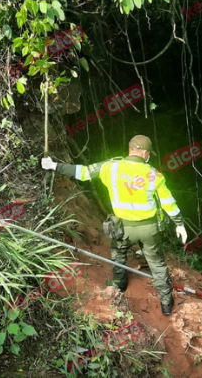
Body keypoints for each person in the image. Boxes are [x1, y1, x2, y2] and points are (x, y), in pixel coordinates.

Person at [41, 135, 187, 315]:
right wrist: (179, 224)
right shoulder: (153, 174)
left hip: (122, 228)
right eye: (148, 152)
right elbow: (168, 203)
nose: (148, 155)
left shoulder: (111, 167)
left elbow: (83, 172)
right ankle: (166, 303)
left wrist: (54, 166)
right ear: (144, 152)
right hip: (148, 229)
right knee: (157, 263)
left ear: (130, 149)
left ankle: (119, 287)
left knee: (119, 257)